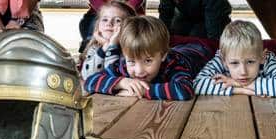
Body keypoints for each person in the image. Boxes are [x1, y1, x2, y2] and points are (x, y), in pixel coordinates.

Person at [83, 16, 212, 100]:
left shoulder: (174, 65)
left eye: (148, 61)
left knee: (202, 45)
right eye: (132, 61)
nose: (139, 71)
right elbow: (90, 81)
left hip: (197, 53)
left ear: (163, 56)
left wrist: (142, 92)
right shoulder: (122, 65)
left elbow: (184, 90)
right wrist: (121, 83)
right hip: (172, 49)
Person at [193, 20, 276, 98]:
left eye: (250, 62)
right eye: (234, 63)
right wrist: (241, 90)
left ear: (262, 57)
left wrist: (233, 82)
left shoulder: (267, 59)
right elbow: (197, 85)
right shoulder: (221, 58)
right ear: (224, 61)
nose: (243, 72)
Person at [79, 0, 136, 80]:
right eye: (105, 20)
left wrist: (112, 46)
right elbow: (88, 77)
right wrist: (105, 47)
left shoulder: (130, 51)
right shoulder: (94, 49)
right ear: (98, 24)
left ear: (129, 27)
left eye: (117, 20)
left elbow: (115, 77)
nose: (109, 23)